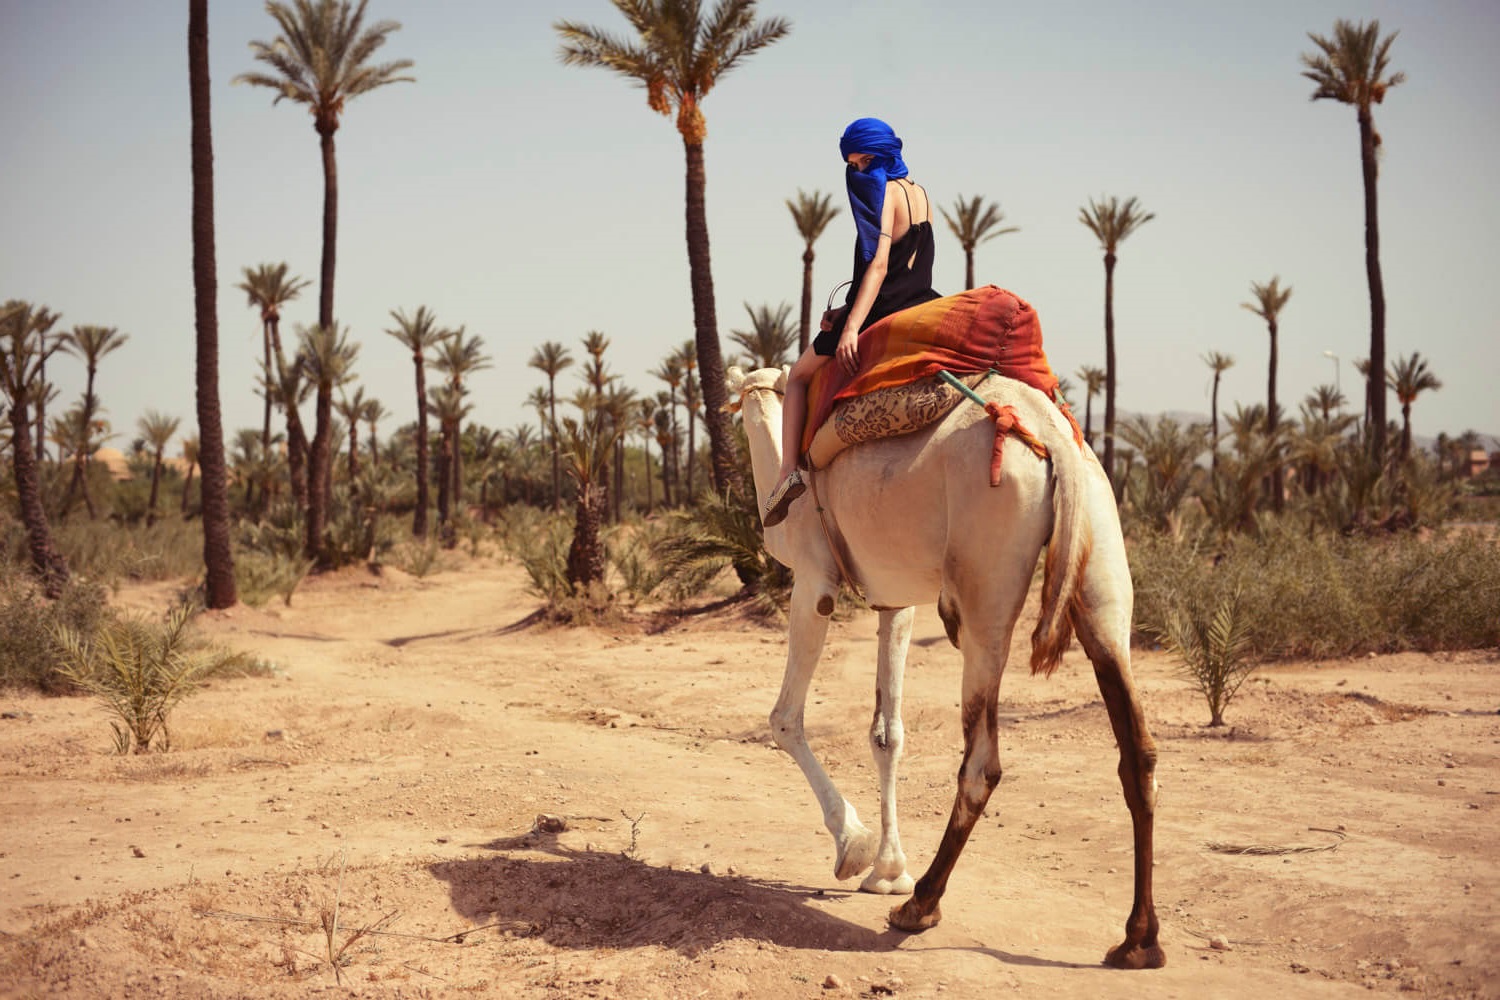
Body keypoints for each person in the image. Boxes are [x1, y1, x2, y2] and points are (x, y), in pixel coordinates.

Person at [763, 117, 942, 527]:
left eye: (863, 162)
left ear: (883, 155)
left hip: (884, 309)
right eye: (853, 165)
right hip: (920, 301)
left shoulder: (887, 195)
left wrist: (850, 329)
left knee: (796, 379)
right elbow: (908, 263)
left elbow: (879, 266)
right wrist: (844, 310)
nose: (858, 172)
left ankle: (787, 471)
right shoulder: (921, 193)